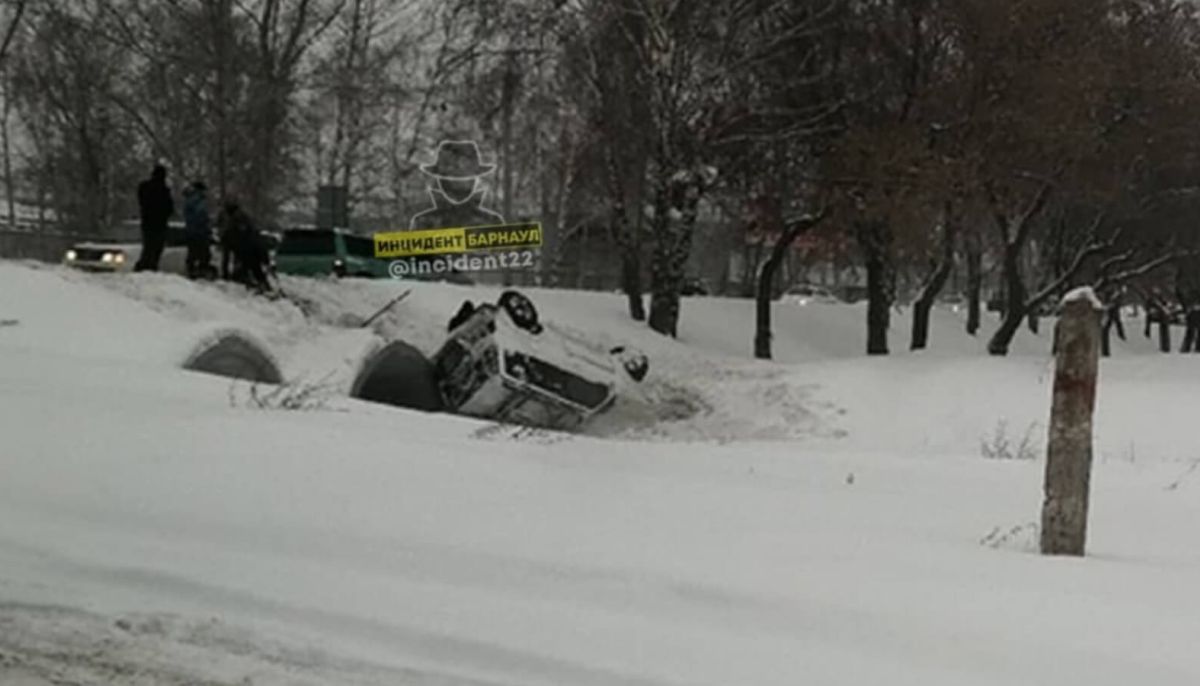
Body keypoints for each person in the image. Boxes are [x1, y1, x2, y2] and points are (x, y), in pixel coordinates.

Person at [218, 198, 272, 293]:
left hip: (248, 248)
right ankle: (261, 285)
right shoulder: (241, 217)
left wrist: (227, 240)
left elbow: (239, 234)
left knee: (251, 266)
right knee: (253, 267)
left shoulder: (236, 219)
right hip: (251, 247)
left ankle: (257, 285)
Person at [135, 164, 174, 271]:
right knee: (155, 249)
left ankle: (143, 268)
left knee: (148, 248)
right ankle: (150, 268)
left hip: (147, 222)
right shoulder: (164, 190)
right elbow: (169, 208)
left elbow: (142, 201)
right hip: (159, 224)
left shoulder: (144, 187)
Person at [182, 181, 213, 279]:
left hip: (191, 230)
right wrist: (207, 226)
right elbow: (201, 215)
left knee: (192, 251)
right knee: (204, 253)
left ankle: (191, 269)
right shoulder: (199, 200)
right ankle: (201, 270)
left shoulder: (189, 199)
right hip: (200, 230)